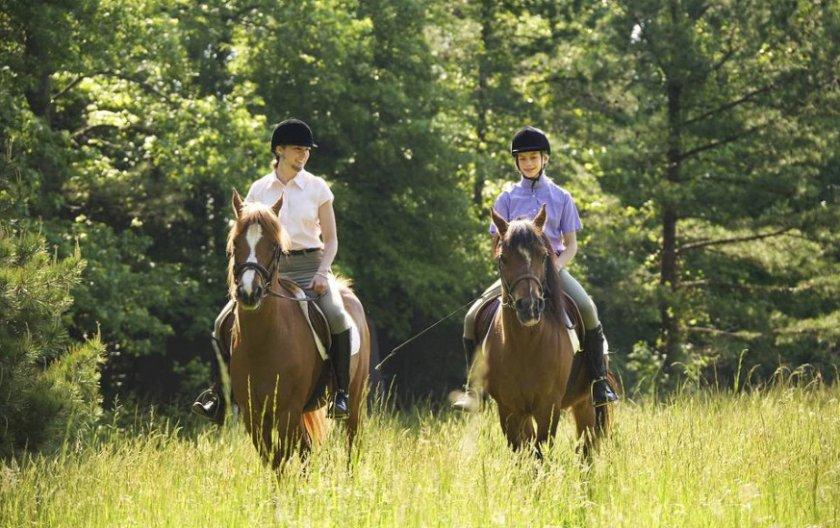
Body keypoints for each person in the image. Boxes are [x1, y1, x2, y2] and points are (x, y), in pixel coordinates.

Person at [192, 118, 354, 421]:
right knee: (220, 322)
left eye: (306, 150)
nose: (303, 155)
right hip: (269, 272)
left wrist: (322, 272)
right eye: (297, 149)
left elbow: (331, 241)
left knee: (337, 315)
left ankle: (341, 393)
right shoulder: (259, 189)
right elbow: (248, 237)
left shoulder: (318, 188)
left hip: (309, 267)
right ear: (279, 150)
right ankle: (220, 396)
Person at [454, 125, 618, 410]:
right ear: (517, 162)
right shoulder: (506, 198)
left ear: (545, 159)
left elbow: (571, 245)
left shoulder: (561, 197)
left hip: (552, 271)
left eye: (533, 158)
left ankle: (598, 382)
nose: (528, 163)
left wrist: (555, 266)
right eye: (523, 159)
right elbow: (497, 244)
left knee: (588, 310)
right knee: (471, 317)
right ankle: (474, 389)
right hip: (517, 276)